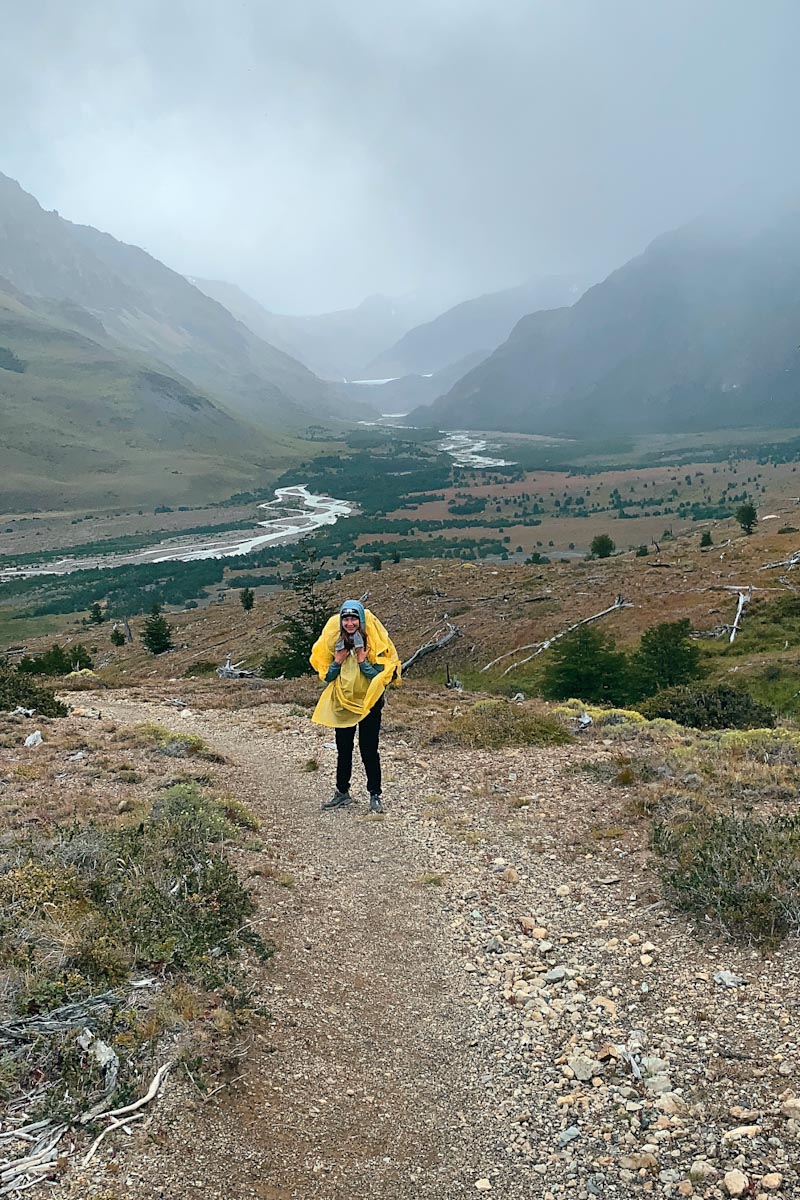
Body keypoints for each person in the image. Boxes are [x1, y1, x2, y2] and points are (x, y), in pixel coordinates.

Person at [309, 600, 401, 813]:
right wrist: (337, 661)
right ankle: (342, 792)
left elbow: (379, 678)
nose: (350, 623)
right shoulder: (335, 644)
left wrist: (362, 661)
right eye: (346, 619)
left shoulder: (373, 644)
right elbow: (328, 677)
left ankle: (375, 794)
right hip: (343, 702)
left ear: (361, 620)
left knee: (369, 749)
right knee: (344, 749)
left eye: (353, 619)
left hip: (369, 704)